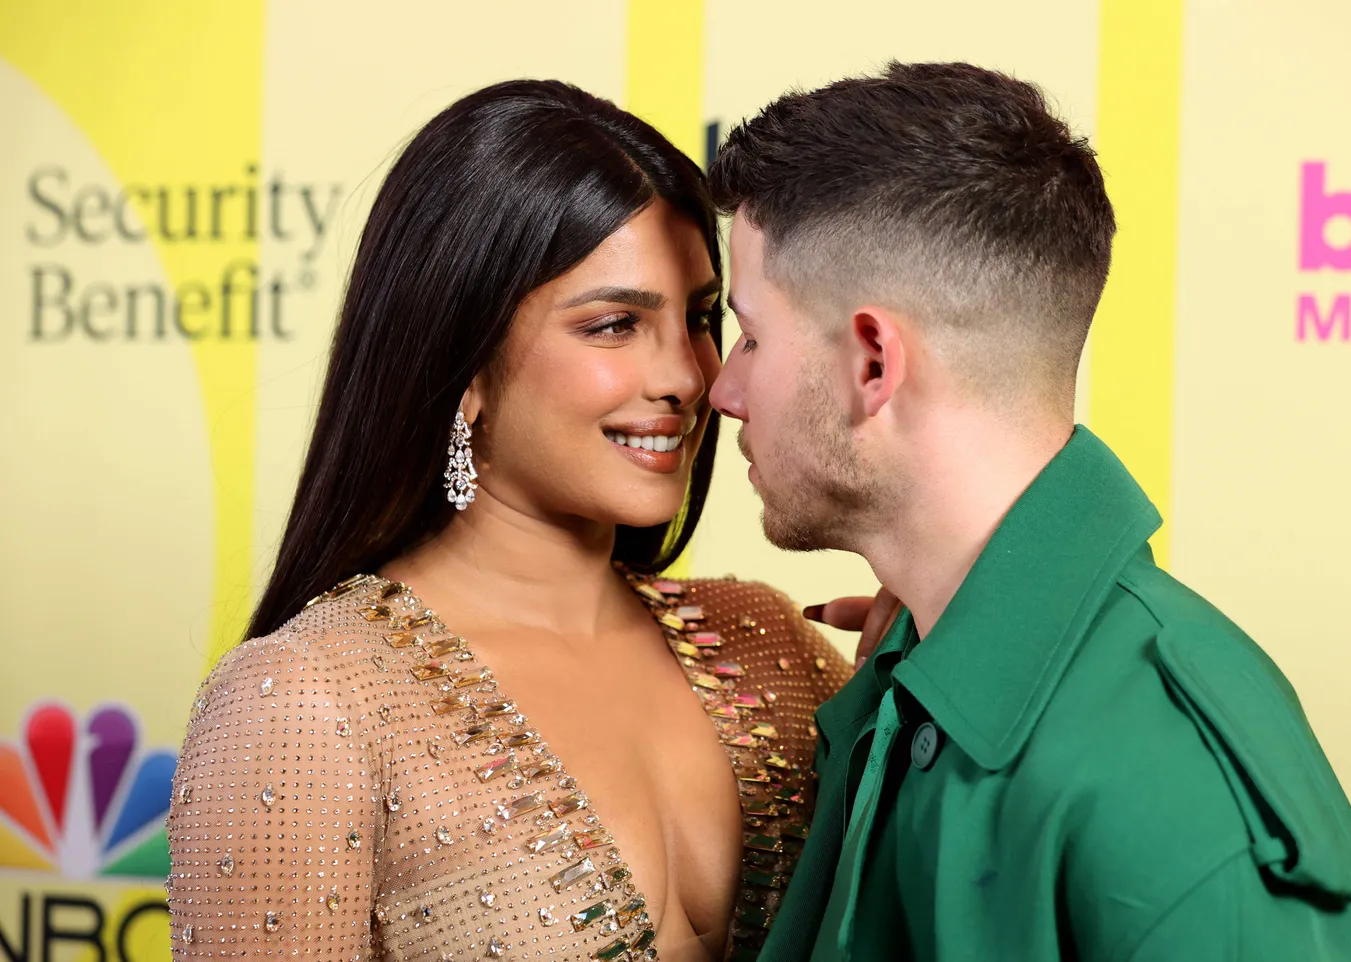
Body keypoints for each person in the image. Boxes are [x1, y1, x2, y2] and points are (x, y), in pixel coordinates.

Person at [706, 62, 1351, 961]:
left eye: (750, 335)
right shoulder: (918, 675)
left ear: (872, 363)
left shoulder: (1166, 780)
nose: (721, 389)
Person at [165, 80, 850, 962]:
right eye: (614, 325)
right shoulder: (310, 702)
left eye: (701, 318)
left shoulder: (768, 644)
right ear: (465, 362)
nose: (689, 376)